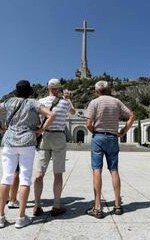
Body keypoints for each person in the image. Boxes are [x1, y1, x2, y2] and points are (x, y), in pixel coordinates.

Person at [0, 80, 55, 229]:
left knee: (6, 177)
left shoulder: (8, 102)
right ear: (29, 91)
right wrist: (40, 131)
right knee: (25, 178)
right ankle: (21, 217)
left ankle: (0, 216)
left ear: (16, 91)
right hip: (27, 142)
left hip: (9, 142)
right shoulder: (33, 103)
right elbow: (51, 115)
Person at [85, 80, 135, 218]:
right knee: (114, 170)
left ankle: (98, 208)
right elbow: (131, 115)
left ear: (96, 91)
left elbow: (88, 123)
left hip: (99, 138)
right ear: (109, 90)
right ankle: (118, 205)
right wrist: (123, 131)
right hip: (113, 138)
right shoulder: (117, 102)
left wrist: (95, 131)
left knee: (97, 170)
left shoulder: (94, 102)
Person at [33, 78, 76, 217]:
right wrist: (68, 98)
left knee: (39, 173)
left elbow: (35, 119)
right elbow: (73, 112)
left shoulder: (40, 102)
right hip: (59, 137)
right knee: (58, 174)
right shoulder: (64, 103)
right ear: (58, 89)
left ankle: (37, 206)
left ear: (48, 87)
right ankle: (56, 206)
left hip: (44, 136)